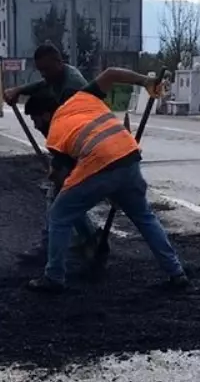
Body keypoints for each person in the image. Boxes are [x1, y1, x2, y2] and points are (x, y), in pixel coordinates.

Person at [23, 67, 188, 293]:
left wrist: (55, 181)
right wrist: (146, 81)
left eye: (35, 120)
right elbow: (111, 73)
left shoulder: (56, 131)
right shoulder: (84, 98)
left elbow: (64, 179)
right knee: (144, 216)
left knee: (59, 214)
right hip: (128, 156)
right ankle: (176, 273)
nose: (36, 126)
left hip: (101, 164)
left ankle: (53, 277)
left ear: (45, 114)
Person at [4, 43, 106, 263]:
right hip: (81, 144)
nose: (44, 75)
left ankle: (52, 248)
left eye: (47, 70)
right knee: (65, 197)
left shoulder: (71, 91)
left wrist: (58, 166)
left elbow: (69, 134)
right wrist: (19, 90)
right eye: (41, 71)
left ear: (59, 63)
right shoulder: (60, 75)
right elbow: (43, 83)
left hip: (88, 147)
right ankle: (89, 238)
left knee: (60, 196)